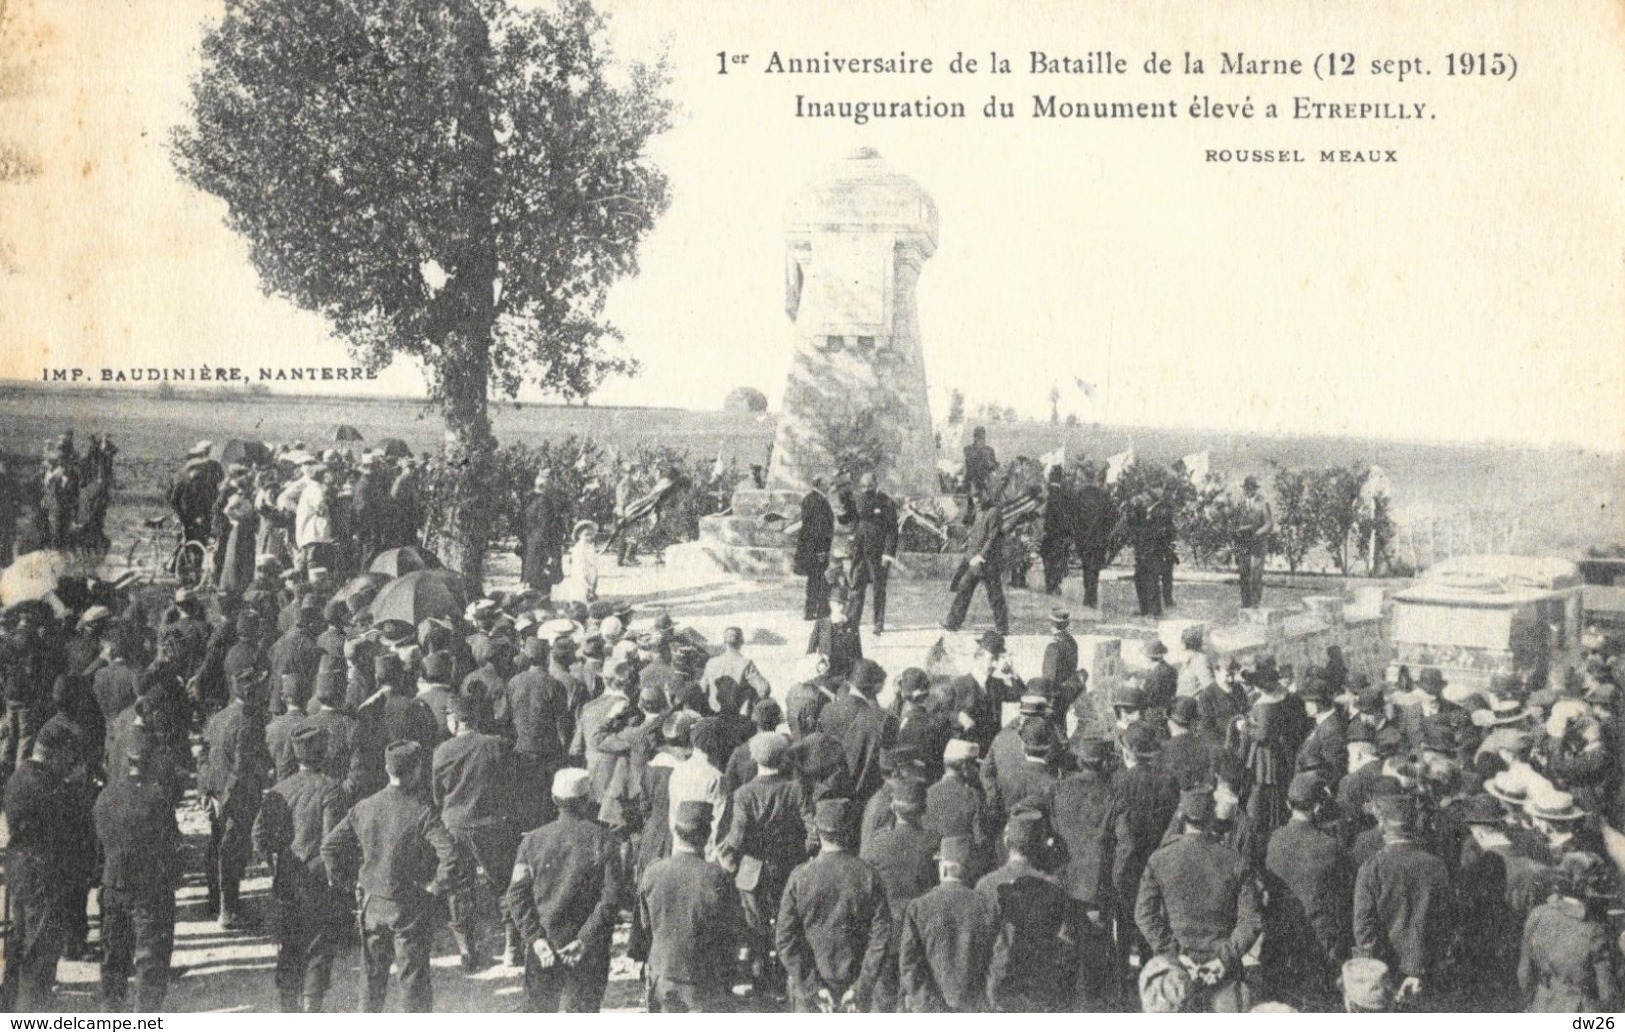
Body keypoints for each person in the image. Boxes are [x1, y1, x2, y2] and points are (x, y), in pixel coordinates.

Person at [321, 739, 460, 1013]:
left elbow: (329, 847)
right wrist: (436, 886)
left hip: (372, 904)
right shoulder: (422, 811)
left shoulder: (364, 807)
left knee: (371, 979)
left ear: (387, 769)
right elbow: (450, 854)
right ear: (418, 770)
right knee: (412, 981)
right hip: (408, 906)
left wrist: (348, 884)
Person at [506, 767, 626, 1012]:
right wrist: (584, 940)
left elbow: (516, 895)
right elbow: (611, 899)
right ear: (587, 799)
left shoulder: (532, 841)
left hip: (544, 947)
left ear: (553, 799)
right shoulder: (604, 841)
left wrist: (535, 938)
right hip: (588, 952)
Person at [1134, 785, 1264, 1012]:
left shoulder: (1160, 859)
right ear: (1213, 818)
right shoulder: (1235, 861)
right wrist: (1224, 959)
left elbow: (1144, 915)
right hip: (1224, 975)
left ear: (1182, 817)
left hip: (1174, 976)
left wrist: (1174, 955)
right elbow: (1251, 920)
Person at [252, 724, 348, 1012]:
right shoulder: (331, 788)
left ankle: (288, 1007)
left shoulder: (279, 790)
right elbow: (332, 839)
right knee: (318, 945)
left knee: (289, 942)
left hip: (288, 878)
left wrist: (273, 865)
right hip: (319, 878)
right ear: (323, 752)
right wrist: (338, 878)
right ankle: (310, 1010)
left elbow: (258, 835)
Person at [775, 798, 892, 1012]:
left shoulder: (800, 876)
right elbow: (881, 937)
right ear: (849, 831)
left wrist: (812, 987)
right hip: (854, 989)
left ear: (817, 832)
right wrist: (860, 987)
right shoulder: (868, 875)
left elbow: (785, 939)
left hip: (809, 993)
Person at [433, 693, 521, 972]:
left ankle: (467, 951)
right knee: (504, 885)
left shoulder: (442, 752)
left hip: (455, 826)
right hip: (492, 825)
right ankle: (512, 947)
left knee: (459, 888)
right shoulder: (498, 746)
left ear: (456, 720)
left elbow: (437, 795)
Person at [95, 745, 182, 1013]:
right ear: (151, 764)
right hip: (149, 887)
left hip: (113, 884)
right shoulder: (158, 797)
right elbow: (171, 843)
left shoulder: (105, 796)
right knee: (151, 957)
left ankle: (111, 1011)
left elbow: (97, 843)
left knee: (113, 954)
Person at [637, 800, 744, 1011]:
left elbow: (645, 924)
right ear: (707, 835)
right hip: (704, 979)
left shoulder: (653, 871)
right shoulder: (717, 877)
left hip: (663, 975)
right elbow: (733, 930)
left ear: (676, 831)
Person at [1352, 793, 1454, 1009]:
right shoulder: (1436, 866)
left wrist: (1373, 972)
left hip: (1384, 972)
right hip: (1425, 972)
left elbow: (1364, 929)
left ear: (1382, 826)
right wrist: (1419, 969)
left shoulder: (1372, 868)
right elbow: (1444, 924)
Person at [0, 723, 76, 1012]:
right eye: (67, 756)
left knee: (20, 943)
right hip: (41, 872)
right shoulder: (46, 785)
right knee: (39, 951)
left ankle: (10, 1008)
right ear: (55, 753)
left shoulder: (19, 776)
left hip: (20, 866)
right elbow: (67, 823)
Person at [1261, 772, 1353, 1010]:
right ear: (1319, 806)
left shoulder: (1273, 839)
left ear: (1287, 804)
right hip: (1319, 947)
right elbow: (1344, 896)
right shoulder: (1331, 848)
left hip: (1278, 942)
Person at [979, 811, 1086, 1011]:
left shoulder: (986, 885)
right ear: (1040, 844)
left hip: (998, 987)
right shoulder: (1055, 886)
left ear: (1006, 841)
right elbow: (1067, 942)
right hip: (1042, 989)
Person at [198, 667, 273, 930]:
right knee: (233, 852)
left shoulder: (219, 718)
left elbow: (204, 756)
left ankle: (214, 902)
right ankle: (229, 911)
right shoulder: (249, 723)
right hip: (237, 799)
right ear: (251, 691)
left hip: (216, 793)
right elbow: (240, 768)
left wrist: (205, 792)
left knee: (217, 846)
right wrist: (226, 801)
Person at [859, 778, 941, 1011]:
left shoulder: (876, 844)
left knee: (884, 998)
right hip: (921, 933)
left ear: (893, 809)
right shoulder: (934, 842)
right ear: (923, 809)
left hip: (888, 935)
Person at [897, 835, 1001, 1012]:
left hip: (930, 1010)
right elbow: (996, 959)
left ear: (943, 869)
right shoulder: (987, 907)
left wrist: (929, 1006)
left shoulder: (919, 907)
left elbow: (908, 964)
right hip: (973, 1008)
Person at [1517, 851, 1618, 1011]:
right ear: (1587, 886)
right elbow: (1606, 994)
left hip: (1541, 1002)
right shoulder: (1595, 932)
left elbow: (1523, 974)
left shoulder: (1537, 915)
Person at [943, 484, 1009, 634]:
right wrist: (967, 547)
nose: (977, 499)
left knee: (995, 595)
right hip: (973, 561)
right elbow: (974, 533)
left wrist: (981, 556)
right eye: (974, 497)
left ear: (986, 493)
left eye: (979, 496)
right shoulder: (976, 511)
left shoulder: (994, 512)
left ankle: (1002, 627)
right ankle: (953, 623)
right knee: (963, 589)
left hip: (988, 562)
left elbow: (992, 538)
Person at [847, 472, 898, 635]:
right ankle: (852, 621)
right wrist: (852, 539)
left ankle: (878, 622)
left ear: (876, 484)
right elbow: (855, 521)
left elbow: (892, 531)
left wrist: (887, 554)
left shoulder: (886, 502)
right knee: (856, 586)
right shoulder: (858, 499)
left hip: (878, 553)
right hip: (860, 551)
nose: (866, 489)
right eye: (863, 486)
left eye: (869, 486)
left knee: (878, 588)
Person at [790, 476, 836, 621]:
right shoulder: (818, 501)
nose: (830, 486)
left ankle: (810, 611)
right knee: (820, 580)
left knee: (813, 580)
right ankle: (821, 610)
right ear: (820, 485)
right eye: (827, 483)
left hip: (810, 549)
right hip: (817, 549)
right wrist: (822, 550)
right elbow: (819, 529)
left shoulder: (809, 498)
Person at [520, 469, 569, 599]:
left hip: (532, 543)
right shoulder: (544, 501)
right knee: (543, 579)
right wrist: (552, 551)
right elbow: (545, 526)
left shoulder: (529, 499)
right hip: (544, 545)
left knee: (533, 578)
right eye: (550, 484)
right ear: (544, 486)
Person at [1236, 475, 1274, 608]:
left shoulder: (1263, 503)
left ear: (1255, 489)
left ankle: (1255, 603)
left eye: (1251, 488)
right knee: (1243, 573)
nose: (1248, 491)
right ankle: (1245, 602)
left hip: (1258, 541)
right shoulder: (1240, 504)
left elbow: (1269, 524)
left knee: (1256, 574)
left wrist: (1259, 532)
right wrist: (1238, 530)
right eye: (1246, 488)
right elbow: (1234, 522)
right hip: (1243, 542)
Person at [556, 519, 600, 606]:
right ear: (579, 535)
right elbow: (580, 566)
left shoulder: (590, 547)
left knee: (590, 596)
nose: (589, 537)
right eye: (586, 535)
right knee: (581, 594)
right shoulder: (579, 548)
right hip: (582, 576)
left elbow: (593, 562)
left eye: (591, 535)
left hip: (590, 573)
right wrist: (586, 581)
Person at [961, 427, 997, 522]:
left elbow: (994, 465)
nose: (983, 440)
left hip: (986, 482)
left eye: (983, 437)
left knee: (989, 505)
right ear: (975, 437)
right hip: (972, 481)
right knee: (972, 505)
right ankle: (970, 518)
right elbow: (971, 464)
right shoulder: (968, 449)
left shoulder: (989, 450)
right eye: (980, 438)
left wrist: (992, 464)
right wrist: (983, 456)